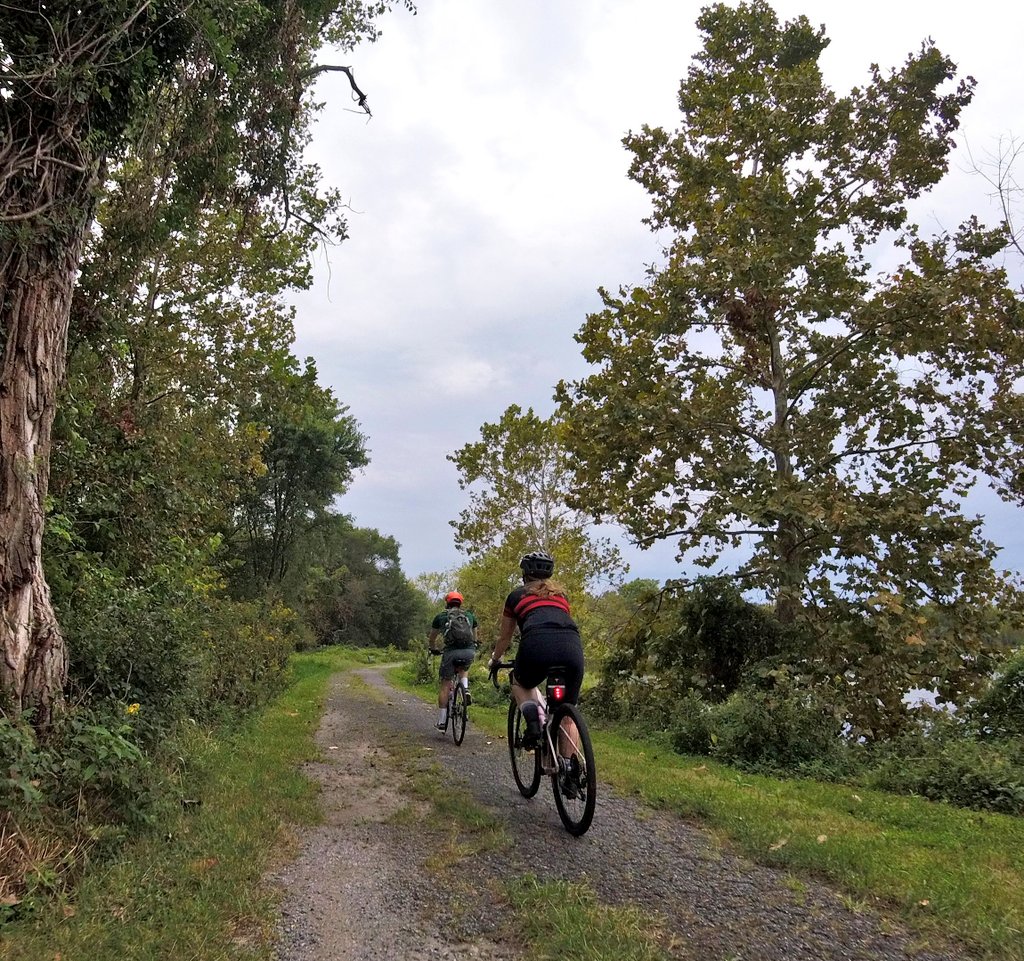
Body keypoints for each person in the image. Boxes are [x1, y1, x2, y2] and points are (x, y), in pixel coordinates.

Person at [487, 550, 584, 758]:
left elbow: (505, 638)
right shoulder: (560, 595)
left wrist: (495, 660)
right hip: (572, 646)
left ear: (525, 574)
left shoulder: (516, 596)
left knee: (519, 682)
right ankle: (569, 770)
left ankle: (532, 721)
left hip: (536, 644)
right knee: (567, 714)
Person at [428, 591, 479, 730]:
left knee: (445, 684)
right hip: (468, 652)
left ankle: (442, 721)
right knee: (464, 669)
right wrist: (474, 645)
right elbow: (475, 636)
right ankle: (465, 689)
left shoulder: (441, 617)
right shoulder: (469, 616)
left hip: (450, 653)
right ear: (461, 603)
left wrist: (433, 648)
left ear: (447, 603)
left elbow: (432, 638)